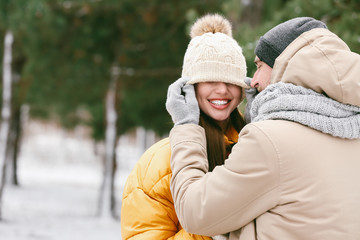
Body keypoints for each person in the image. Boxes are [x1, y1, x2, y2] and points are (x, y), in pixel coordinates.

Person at [166, 16, 360, 240]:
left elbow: (195, 212)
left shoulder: (270, 142)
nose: (253, 81)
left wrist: (186, 127)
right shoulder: (352, 131)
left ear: (284, 65)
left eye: (259, 66)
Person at [121, 13, 249, 240]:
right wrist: (216, 228)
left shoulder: (254, 147)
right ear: (189, 89)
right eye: (210, 80)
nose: (222, 90)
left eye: (231, 81)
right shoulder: (160, 162)